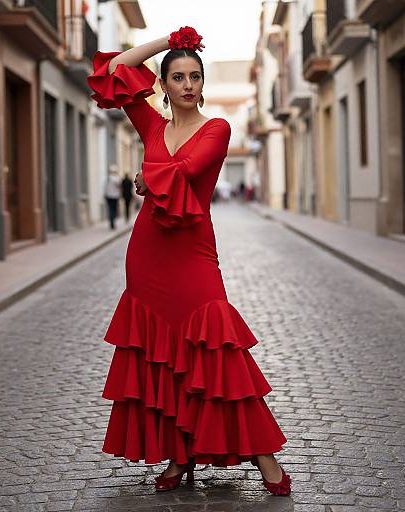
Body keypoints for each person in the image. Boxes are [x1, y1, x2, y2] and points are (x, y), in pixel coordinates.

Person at [87, 26, 291, 496]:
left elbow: (190, 170)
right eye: (177, 77)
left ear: (203, 83)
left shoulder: (217, 129)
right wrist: (167, 43)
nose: (187, 85)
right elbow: (114, 71)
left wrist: (145, 174)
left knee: (219, 351)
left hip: (193, 253)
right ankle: (180, 456)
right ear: (165, 83)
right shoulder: (151, 125)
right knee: (163, 358)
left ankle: (265, 457)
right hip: (148, 254)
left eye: (194, 76)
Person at [104, 164, 120, 230]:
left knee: (110, 209)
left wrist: (105, 194)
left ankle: (111, 222)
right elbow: (119, 187)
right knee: (114, 209)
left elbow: (105, 188)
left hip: (108, 196)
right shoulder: (116, 179)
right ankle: (113, 222)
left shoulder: (107, 179)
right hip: (115, 196)